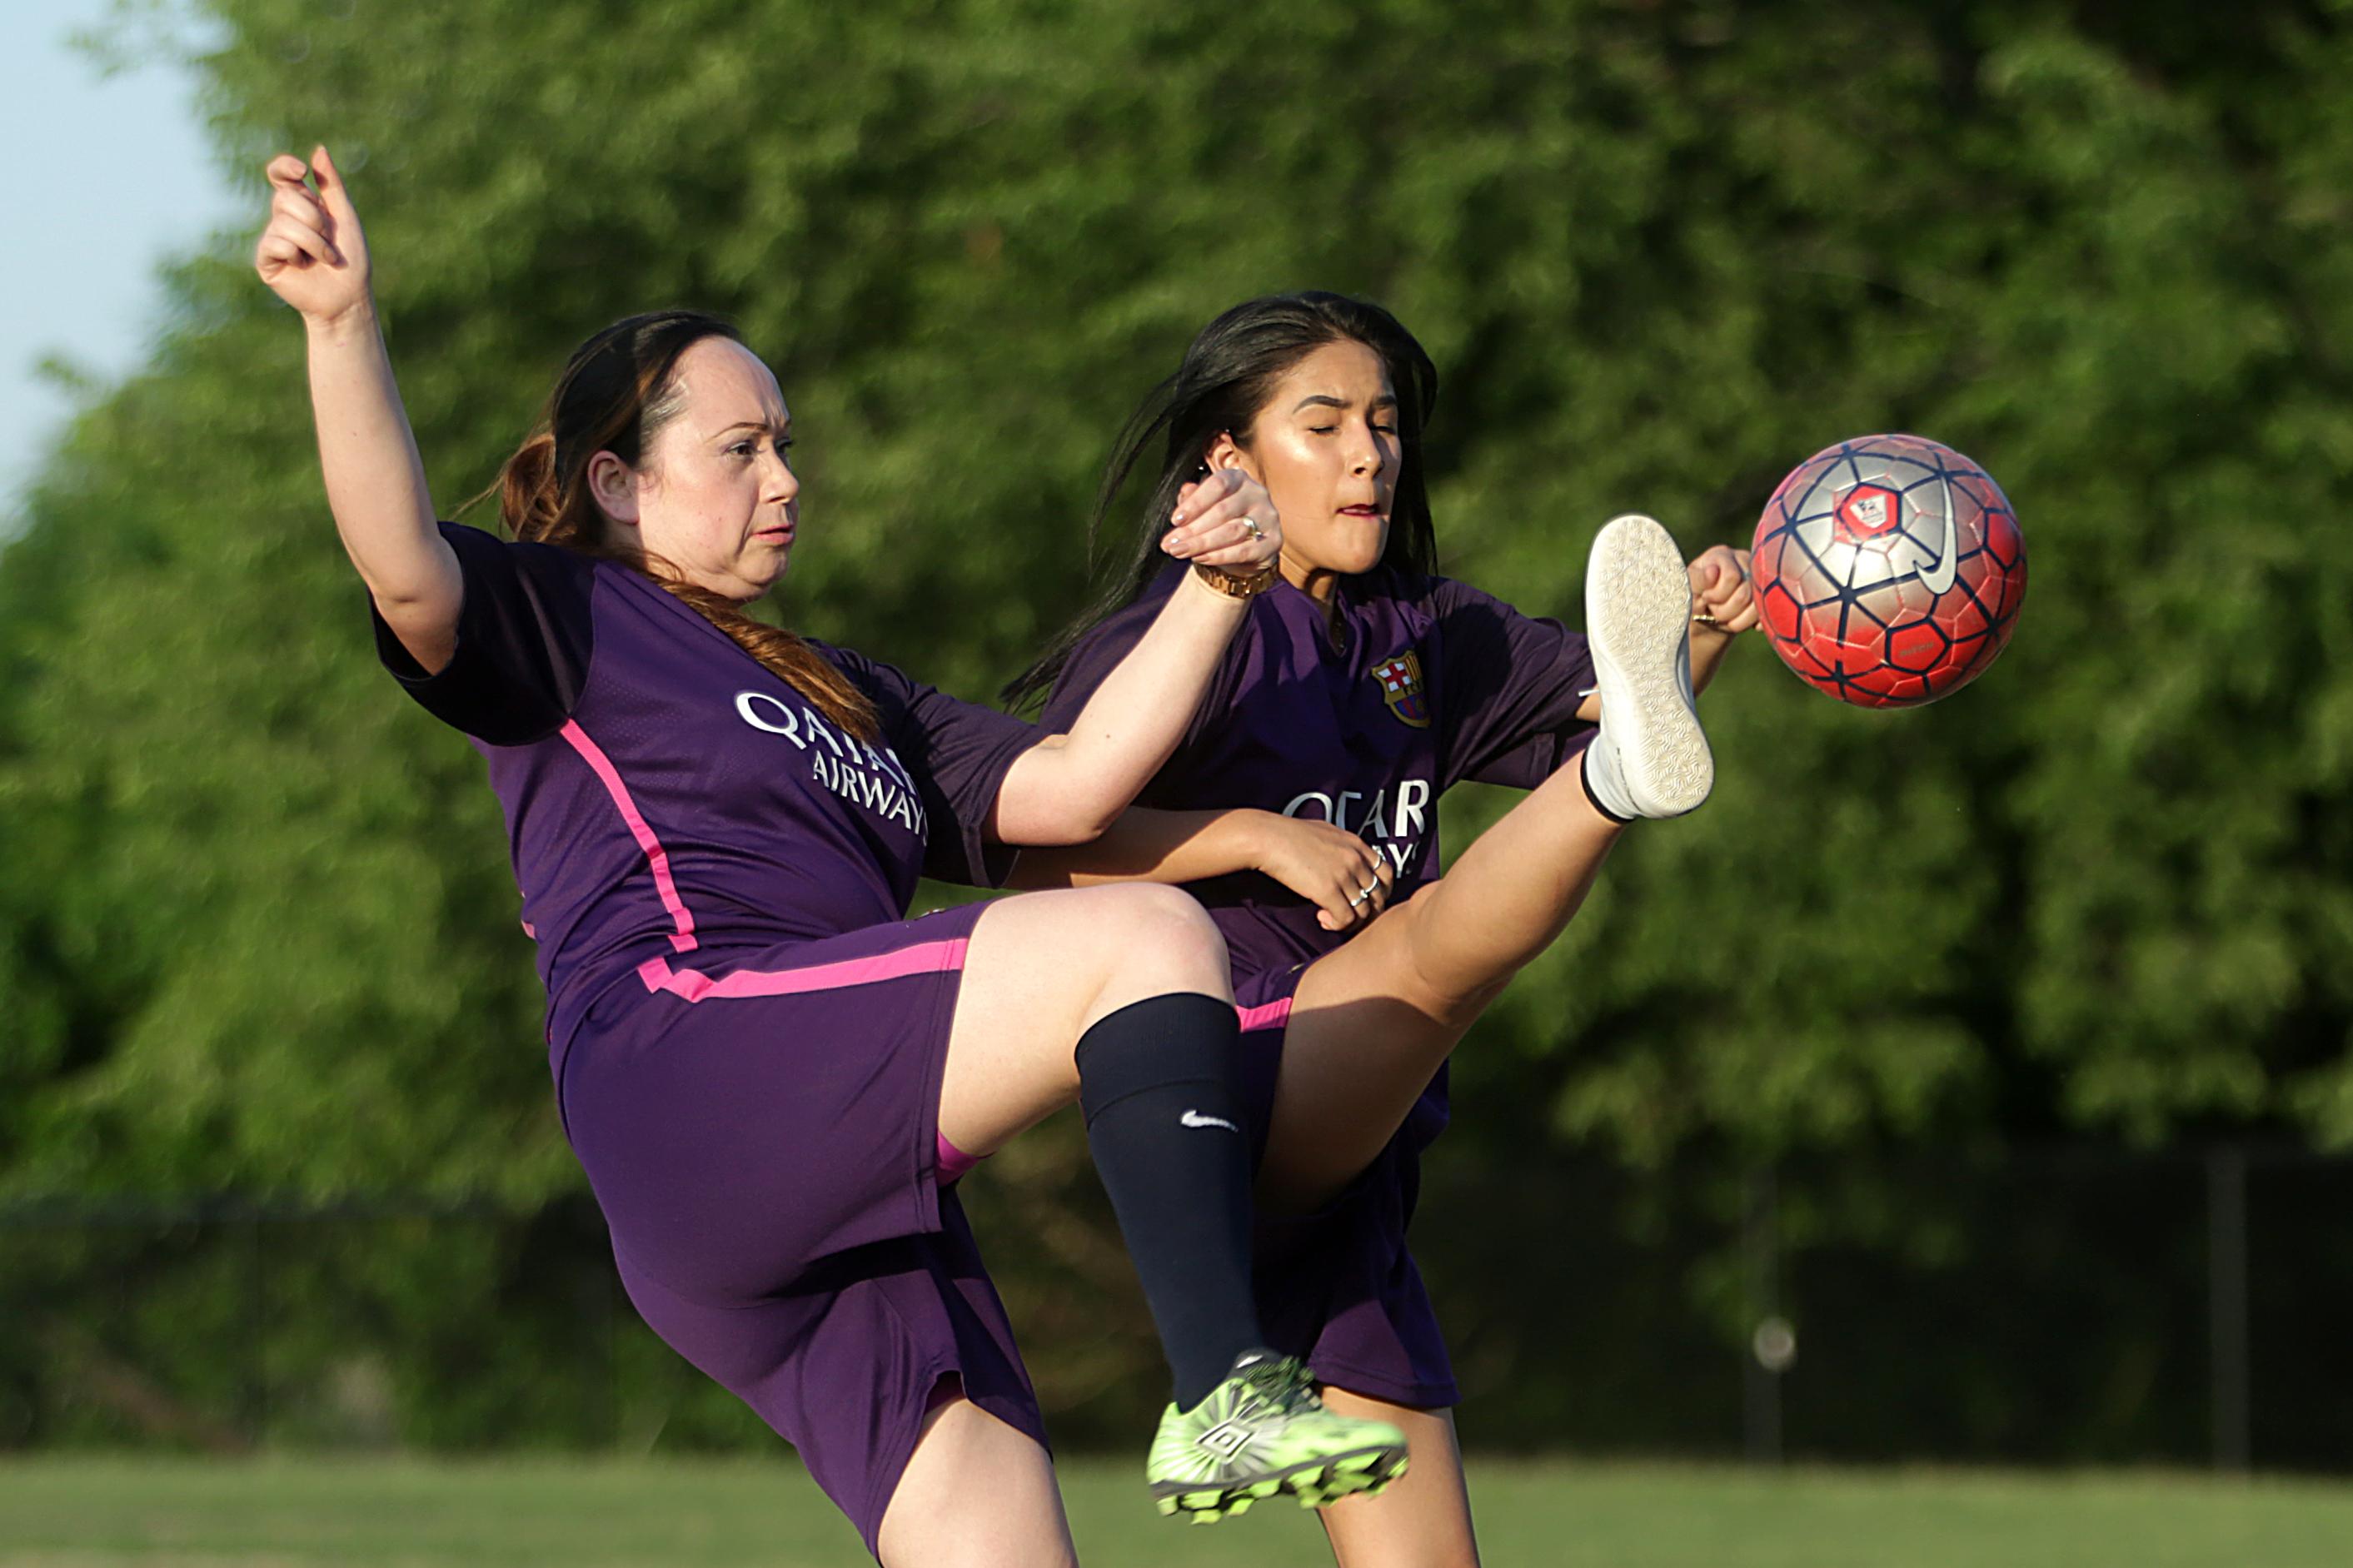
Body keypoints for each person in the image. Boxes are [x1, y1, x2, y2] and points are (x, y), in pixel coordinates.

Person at [254, 154, 1412, 1564]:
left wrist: (1217, 589)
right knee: (1156, 938)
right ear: (616, 482)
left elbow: (1071, 783)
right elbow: (400, 568)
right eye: (739, 449)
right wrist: (340, 325)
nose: (786, 476)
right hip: (689, 1064)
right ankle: (1229, 1383)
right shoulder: (567, 616)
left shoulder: (855, 691)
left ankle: (1222, 1395)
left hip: (829, 1178)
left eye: (784, 442)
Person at [1004, 291, 1757, 1567]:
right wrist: (1251, 833)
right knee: (1432, 956)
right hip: (1227, 1086)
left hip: (1354, 1170)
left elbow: (1614, 703)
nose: (1370, 452)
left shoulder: (1425, 630)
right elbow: (1039, 861)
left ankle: (1610, 784)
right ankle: (1609, 795)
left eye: (1385, 421)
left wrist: (1691, 635)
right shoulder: (1177, 642)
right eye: (1325, 423)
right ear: (1228, 460)